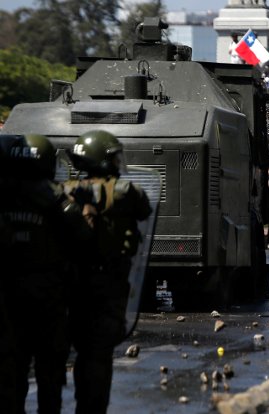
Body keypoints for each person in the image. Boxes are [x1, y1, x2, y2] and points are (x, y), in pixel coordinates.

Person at [0, 134, 91, 413]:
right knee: (49, 372)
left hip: (8, 299)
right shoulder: (57, 199)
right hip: (49, 299)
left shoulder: (4, 195)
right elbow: (83, 242)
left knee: (10, 370)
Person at [65, 130, 152, 413]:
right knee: (99, 353)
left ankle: (81, 404)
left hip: (73, 282)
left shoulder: (67, 192)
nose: (118, 162)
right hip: (110, 282)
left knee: (80, 350)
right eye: (114, 157)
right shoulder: (126, 192)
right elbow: (143, 208)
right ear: (102, 160)